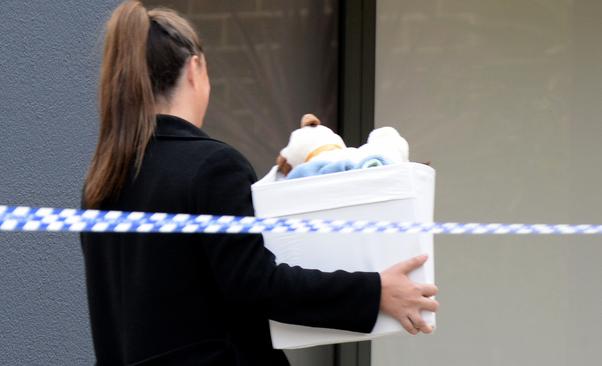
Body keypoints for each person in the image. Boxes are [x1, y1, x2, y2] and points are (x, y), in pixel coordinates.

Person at [80, 1, 439, 365]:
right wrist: (374, 291)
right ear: (195, 69)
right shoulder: (212, 166)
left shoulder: (104, 178)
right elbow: (256, 284)